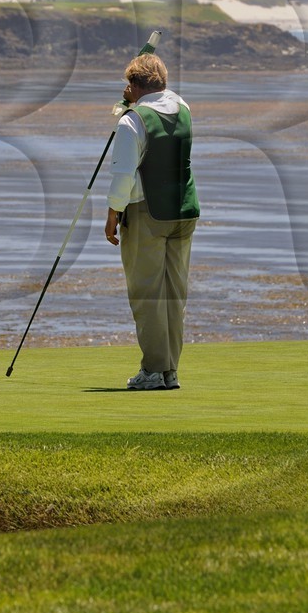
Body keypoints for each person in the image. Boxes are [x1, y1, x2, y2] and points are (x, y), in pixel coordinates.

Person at [104, 53, 200, 390]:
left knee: (147, 294)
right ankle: (169, 370)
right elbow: (159, 100)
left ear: (133, 85)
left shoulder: (132, 121)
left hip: (148, 213)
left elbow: (123, 176)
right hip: (184, 211)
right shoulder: (183, 106)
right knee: (174, 295)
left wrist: (113, 215)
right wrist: (131, 100)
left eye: (127, 84)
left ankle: (154, 370)